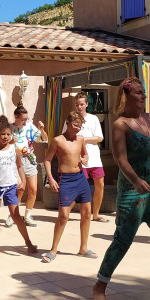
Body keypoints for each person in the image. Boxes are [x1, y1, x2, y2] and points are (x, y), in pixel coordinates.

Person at [91, 77, 150, 300]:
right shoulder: (120, 125)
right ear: (126, 95)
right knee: (123, 240)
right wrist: (136, 180)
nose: (143, 97)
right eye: (139, 93)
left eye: (144, 93)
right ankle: (100, 285)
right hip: (134, 193)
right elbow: (120, 159)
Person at [43, 112, 96, 263]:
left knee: (86, 213)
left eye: (80, 126)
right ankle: (53, 249)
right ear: (67, 122)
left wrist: (85, 159)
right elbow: (47, 160)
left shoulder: (80, 139)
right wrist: (51, 178)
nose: (78, 128)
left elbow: (85, 155)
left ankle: (83, 248)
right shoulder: (57, 141)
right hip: (65, 180)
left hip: (81, 178)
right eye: (75, 125)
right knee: (63, 216)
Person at [0, 116, 38, 255]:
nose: (5, 137)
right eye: (2, 134)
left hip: (10, 186)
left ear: (11, 134)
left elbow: (19, 167)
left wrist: (23, 181)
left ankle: (28, 242)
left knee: (16, 215)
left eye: (8, 134)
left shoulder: (14, 149)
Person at [62, 92, 107, 222]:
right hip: (78, 159)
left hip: (94, 158)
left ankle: (96, 214)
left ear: (87, 104)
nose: (79, 107)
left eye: (81, 104)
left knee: (100, 185)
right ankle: (66, 213)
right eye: (77, 104)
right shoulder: (69, 119)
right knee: (79, 187)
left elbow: (100, 138)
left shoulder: (94, 119)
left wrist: (83, 139)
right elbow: (64, 137)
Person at [10, 106, 48, 227]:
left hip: (30, 159)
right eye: (23, 119)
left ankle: (27, 216)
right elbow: (2, 144)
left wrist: (42, 129)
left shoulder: (30, 127)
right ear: (16, 117)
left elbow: (44, 139)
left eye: (27, 119)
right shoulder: (9, 128)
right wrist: (11, 142)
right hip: (16, 161)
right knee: (20, 189)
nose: (25, 121)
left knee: (33, 189)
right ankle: (13, 215)